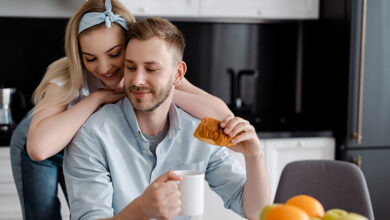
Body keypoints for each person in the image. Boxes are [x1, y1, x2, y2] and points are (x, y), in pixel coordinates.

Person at [10, 0, 232, 219]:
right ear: (79, 55)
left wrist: (157, 92)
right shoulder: (67, 77)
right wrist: (97, 97)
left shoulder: (143, 69)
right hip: (43, 144)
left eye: (115, 54)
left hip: (86, 148)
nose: (104, 67)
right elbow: (39, 148)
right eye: (90, 58)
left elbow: (223, 116)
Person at [64, 17, 270, 220]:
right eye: (131, 67)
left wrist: (255, 156)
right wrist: (138, 212)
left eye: (151, 69)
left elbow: (255, 211)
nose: (137, 80)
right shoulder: (92, 136)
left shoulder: (198, 132)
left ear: (178, 74)